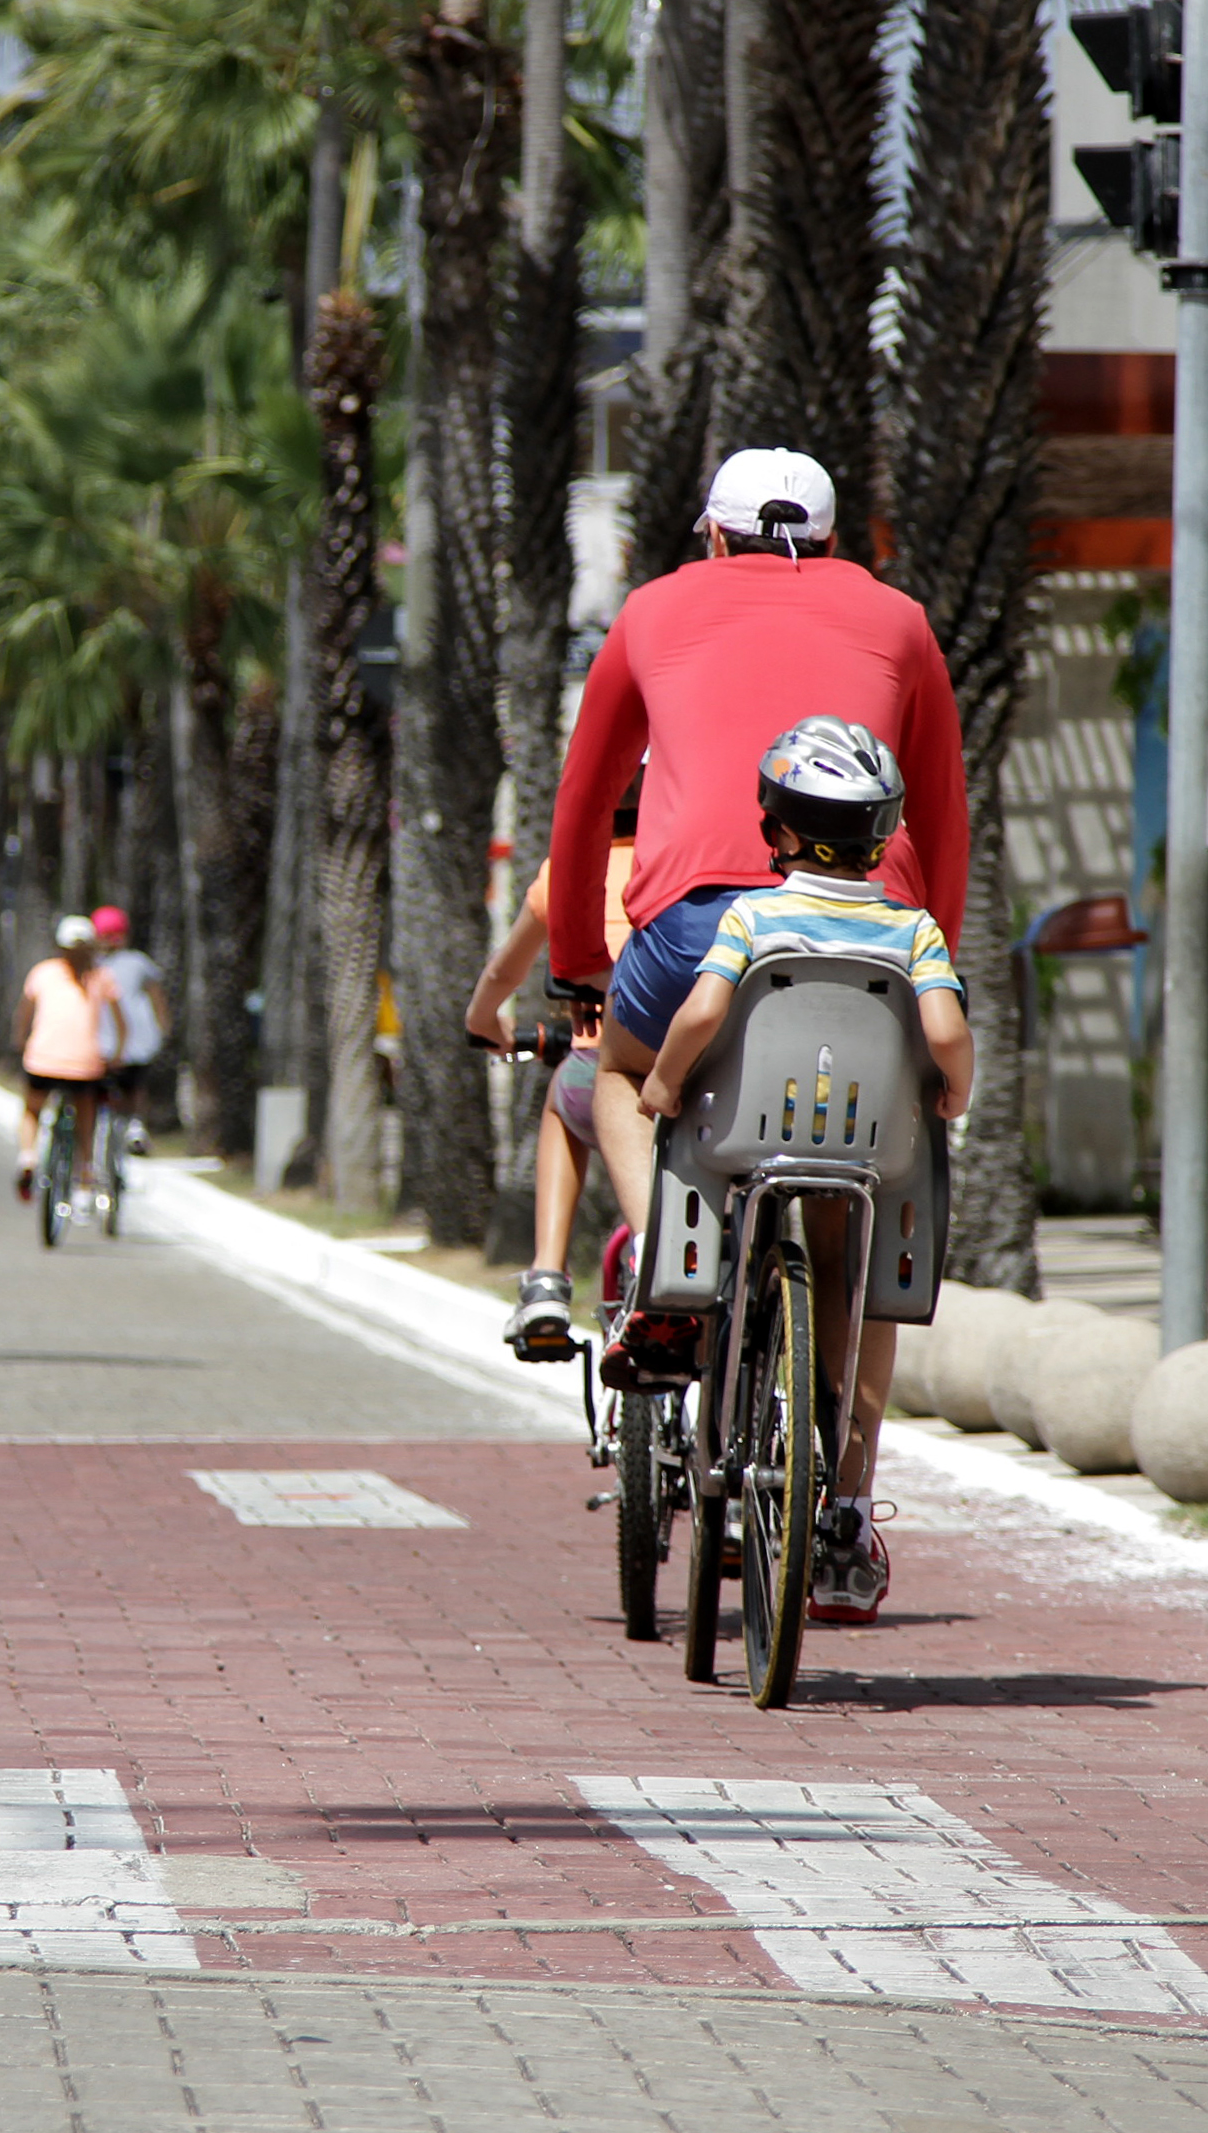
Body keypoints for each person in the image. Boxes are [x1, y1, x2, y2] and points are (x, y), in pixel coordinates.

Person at [544, 446, 968, 1269]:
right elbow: (943, 811)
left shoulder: (651, 609)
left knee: (622, 1076)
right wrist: (932, 964)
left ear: (714, 539)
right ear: (834, 540)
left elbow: (585, 798)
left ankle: (669, 1265)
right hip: (876, 931)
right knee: (861, 1173)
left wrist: (576, 961)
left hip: (692, 932)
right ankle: (852, 1402)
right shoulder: (899, 618)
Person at [635, 717, 976, 1626]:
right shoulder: (913, 927)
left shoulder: (754, 916)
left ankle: (717, 1384)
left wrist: (663, 1083)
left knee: (706, 1177)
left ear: (776, 828)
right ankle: (848, 1508)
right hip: (867, 1150)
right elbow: (943, 1032)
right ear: (881, 831)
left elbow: (704, 1012)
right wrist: (952, 1091)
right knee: (849, 1279)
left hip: (749, 1138)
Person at [466, 773, 641, 1358]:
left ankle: (546, 1277)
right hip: (703, 1070)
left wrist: (484, 1021)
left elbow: (504, 971)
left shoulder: (567, 874)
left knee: (564, 1099)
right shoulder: (698, 870)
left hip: (601, 1063)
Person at [14, 914, 118, 1202]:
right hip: (85, 1063)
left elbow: (24, 1013)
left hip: (42, 1059)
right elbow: (119, 1022)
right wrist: (117, 1053)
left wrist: (21, 1041)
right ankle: (84, 1174)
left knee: (32, 1109)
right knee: (86, 1116)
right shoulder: (101, 977)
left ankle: (27, 1157)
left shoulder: (43, 972)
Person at [88, 906, 170, 1153]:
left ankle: (133, 1125)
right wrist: (162, 1028)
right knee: (133, 1084)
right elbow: (157, 998)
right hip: (121, 1037)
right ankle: (135, 1124)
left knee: (131, 1082)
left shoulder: (98, 965)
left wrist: (163, 1027)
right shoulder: (135, 962)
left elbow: (156, 997)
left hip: (121, 1038)